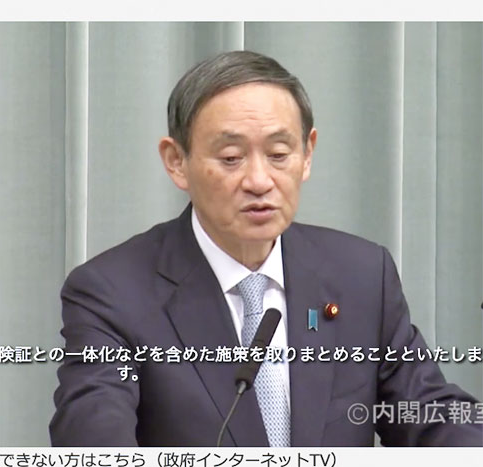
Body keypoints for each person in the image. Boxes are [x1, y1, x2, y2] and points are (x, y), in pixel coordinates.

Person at [49, 50, 482, 447]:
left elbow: (430, 413)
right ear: (176, 161)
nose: (259, 181)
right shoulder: (112, 293)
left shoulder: (362, 275)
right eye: (231, 158)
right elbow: (93, 433)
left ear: (307, 154)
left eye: (278, 154)